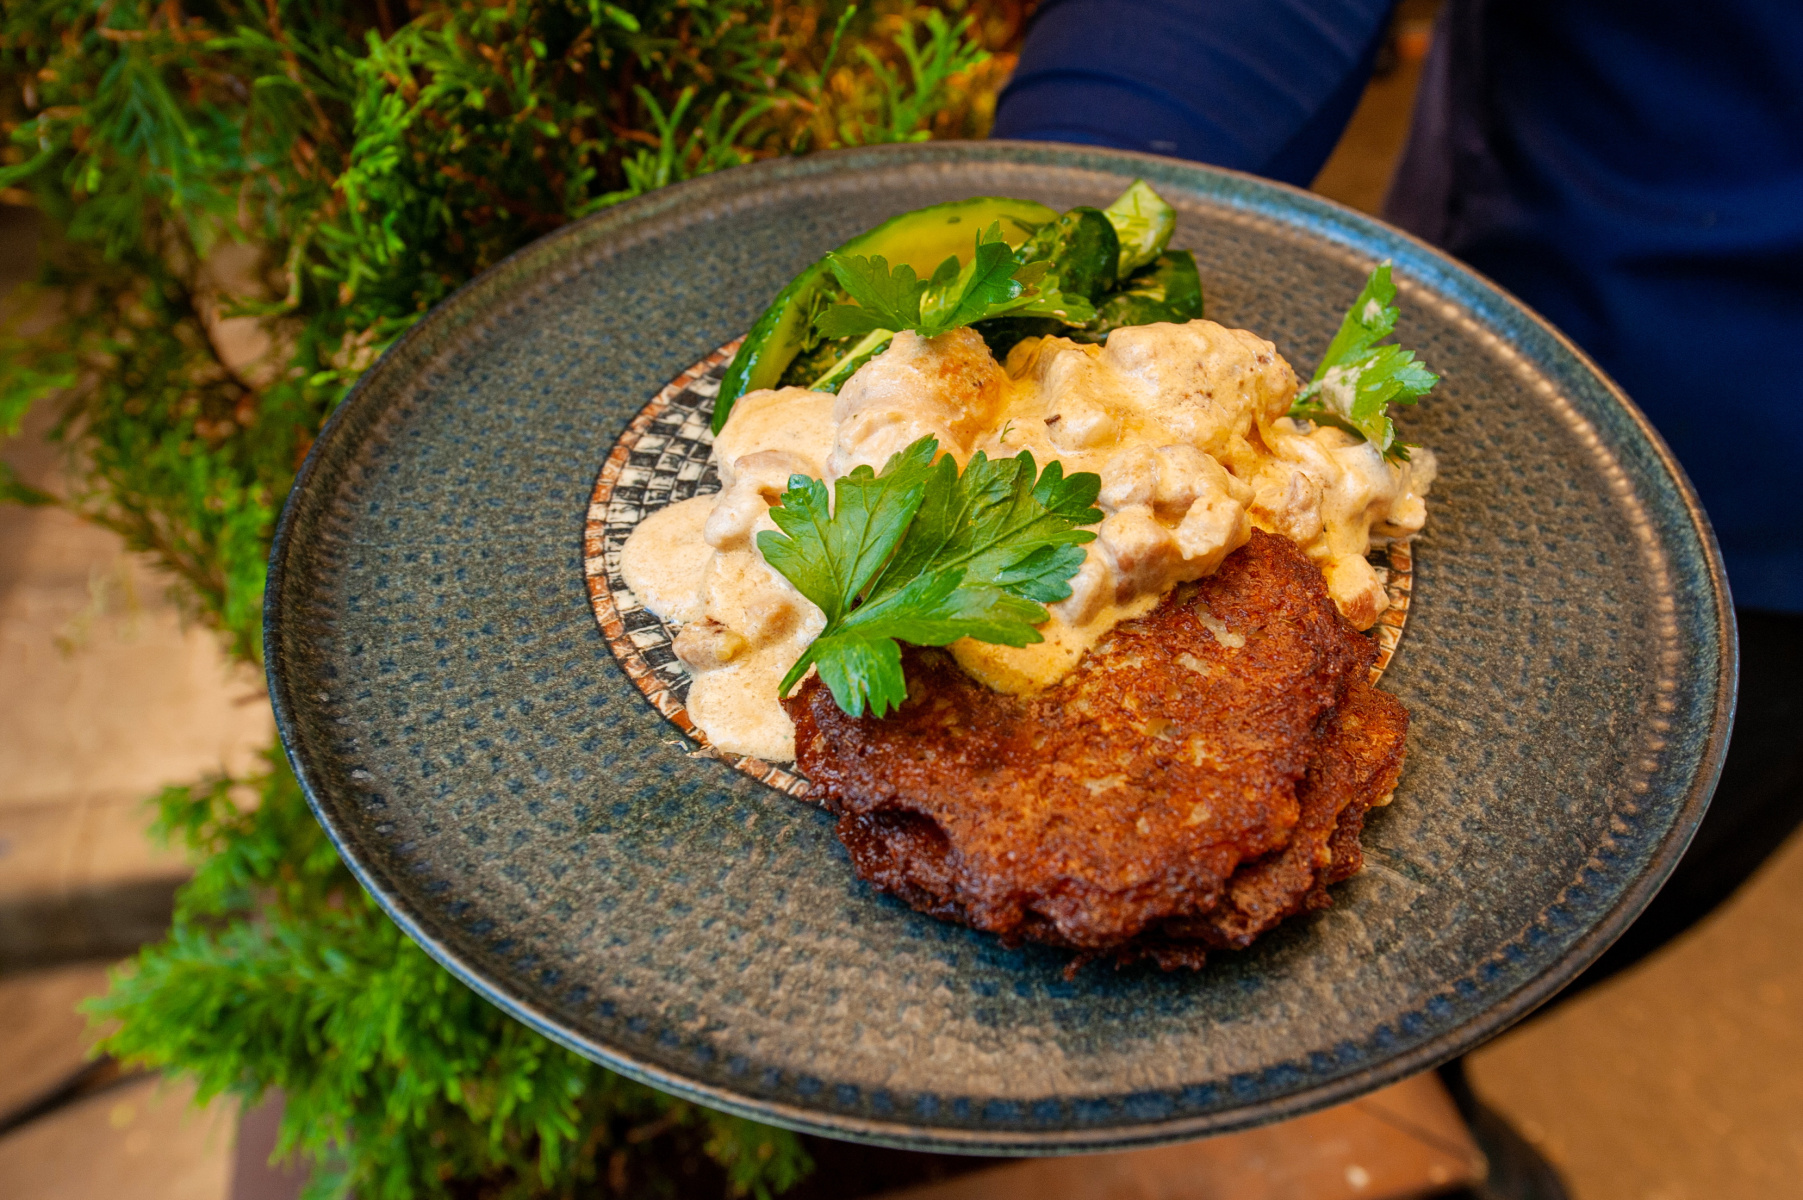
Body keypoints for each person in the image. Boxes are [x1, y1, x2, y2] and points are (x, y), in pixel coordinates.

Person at [993, 5, 1803, 1195]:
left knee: (1517, 919)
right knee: (1382, 936)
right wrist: (1059, 238)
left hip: (1774, 552)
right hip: (1537, 363)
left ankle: (1401, 1102)